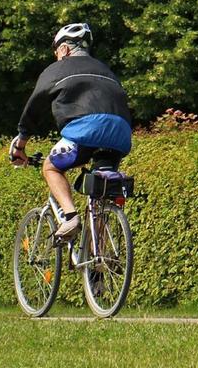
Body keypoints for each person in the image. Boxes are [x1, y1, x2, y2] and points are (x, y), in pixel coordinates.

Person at [9, 22, 133, 238]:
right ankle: (98, 262)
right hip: (121, 132)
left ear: (64, 49)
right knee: (101, 192)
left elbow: (34, 106)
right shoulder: (106, 70)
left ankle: (70, 217)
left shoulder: (58, 68)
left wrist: (21, 142)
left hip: (86, 129)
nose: (57, 55)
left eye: (57, 51)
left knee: (51, 168)